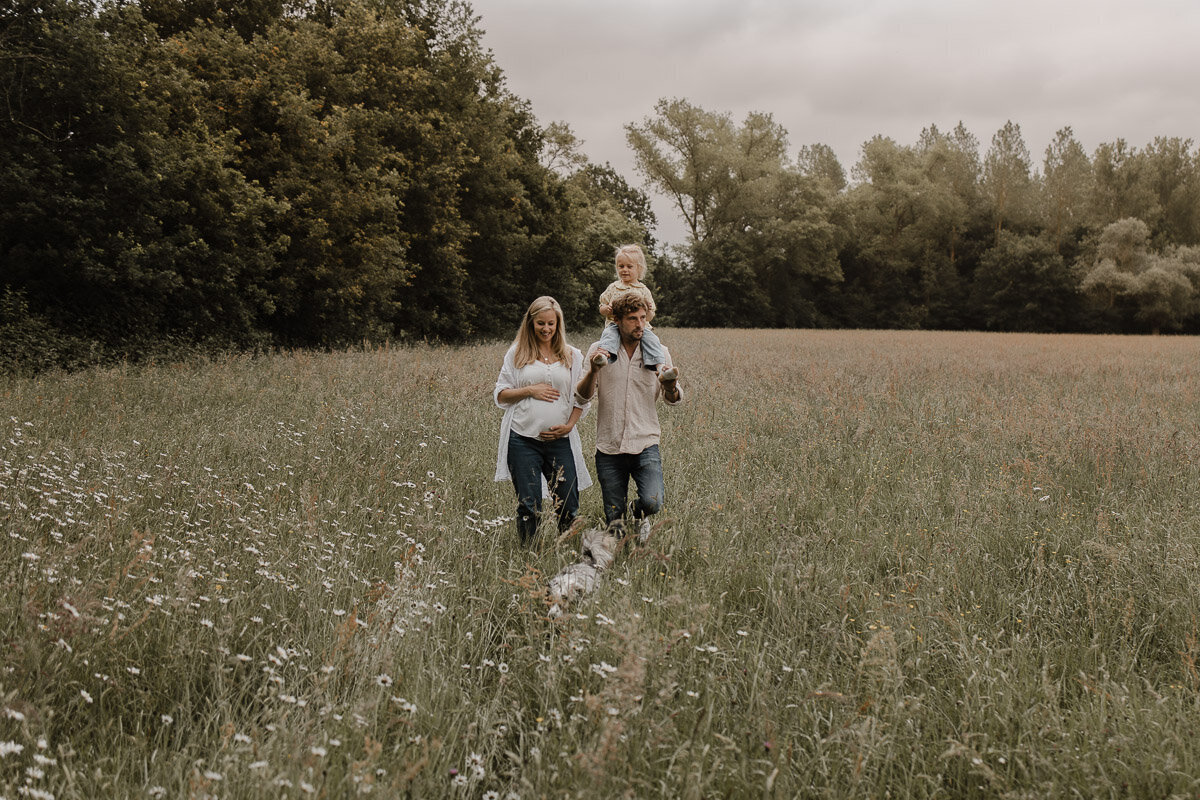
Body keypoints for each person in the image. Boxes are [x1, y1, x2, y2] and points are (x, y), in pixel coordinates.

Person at [575, 292, 682, 543]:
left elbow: (674, 399)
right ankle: (620, 555)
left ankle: (639, 513)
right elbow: (582, 397)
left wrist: (671, 386)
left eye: (643, 318)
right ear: (617, 320)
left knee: (652, 501)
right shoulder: (598, 351)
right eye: (633, 319)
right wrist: (593, 371)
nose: (640, 324)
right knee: (614, 519)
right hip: (609, 446)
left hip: (645, 442)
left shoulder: (659, 352)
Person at [494, 296, 593, 545]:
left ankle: (567, 551)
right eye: (541, 324)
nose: (546, 329)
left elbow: (583, 397)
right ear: (531, 323)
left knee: (568, 503)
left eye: (551, 324)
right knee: (529, 505)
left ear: (558, 324)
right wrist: (530, 390)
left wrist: (569, 426)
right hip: (523, 438)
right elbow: (501, 394)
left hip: (560, 440)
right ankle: (530, 553)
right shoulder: (517, 353)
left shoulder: (572, 356)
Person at [596, 244, 666, 371]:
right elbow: (602, 307)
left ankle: (659, 366)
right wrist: (607, 310)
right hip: (615, 324)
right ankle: (603, 355)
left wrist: (649, 310)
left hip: (640, 327)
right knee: (609, 335)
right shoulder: (613, 287)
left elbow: (649, 317)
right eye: (621, 266)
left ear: (638, 269)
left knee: (652, 339)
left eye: (629, 266)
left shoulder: (643, 290)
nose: (624, 270)